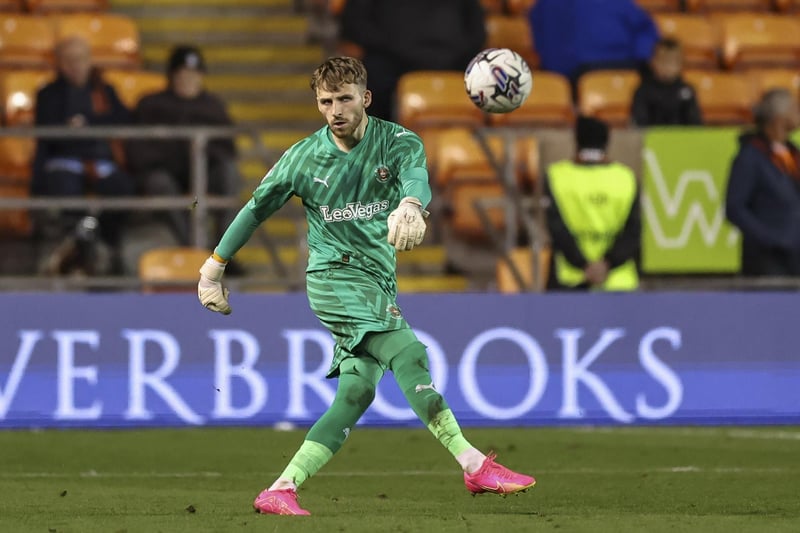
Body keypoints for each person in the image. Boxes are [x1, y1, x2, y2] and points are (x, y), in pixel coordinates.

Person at [197, 56, 535, 515]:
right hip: (334, 277)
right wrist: (213, 267)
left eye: (344, 99)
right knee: (409, 354)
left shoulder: (396, 141)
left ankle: (281, 488)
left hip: (376, 280)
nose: (334, 110)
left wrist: (411, 204)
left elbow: (415, 176)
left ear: (365, 98)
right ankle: (473, 462)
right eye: (325, 101)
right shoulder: (302, 157)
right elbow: (256, 208)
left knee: (356, 393)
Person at [32, 36, 134, 274]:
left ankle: (105, 244)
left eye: (80, 59)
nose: (75, 65)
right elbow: (46, 133)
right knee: (65, 188)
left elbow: (123, 119)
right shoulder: (48, 94)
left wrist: (88, 124)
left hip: (100, 162)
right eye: (68, 61)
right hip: (64, 162)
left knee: (123, 189)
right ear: (59, 64)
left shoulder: (104, 90)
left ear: (89, 61)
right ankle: (83, 247)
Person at [126, 45, 239, 246]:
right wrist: (173, 155)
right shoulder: (151, 104)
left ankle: (225, 249)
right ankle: (193, 247)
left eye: (194, 74)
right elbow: (137, 150)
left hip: (202, 176)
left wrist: (201, 154)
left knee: (229, 173)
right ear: (172, 75)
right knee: (158, 182)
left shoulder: (213, 107)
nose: (188, 79)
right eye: (183, 74)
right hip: (166, 176)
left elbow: (228, 149)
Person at [338, 0, 486, 121]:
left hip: (452, 62)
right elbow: (354, 23)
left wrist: (453, 52)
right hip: (391, 61)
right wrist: (394, 47)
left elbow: (477, 31)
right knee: (371, 78)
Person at [544, 116, 640, 291]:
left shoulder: (556, 176)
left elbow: (556, 228)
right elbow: (633, 231)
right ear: (607, 141)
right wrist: (608, 264)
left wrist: (583, 265)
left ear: (576, 140)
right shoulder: (626, 178)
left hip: (570, 279)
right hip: (618, 282)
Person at [725, 89, 800, 277]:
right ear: (779, 117)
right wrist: (769, 238)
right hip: (767, 260)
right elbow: (734, 207)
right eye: (794, 109)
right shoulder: (750, 157)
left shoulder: (793, 154)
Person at [529, 0, 658, 92]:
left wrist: (642, 58)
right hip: (578, 70)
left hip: (625, 64)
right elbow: (543, 40)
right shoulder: (549, 5)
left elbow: (645, 28)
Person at [631, 38, 703, 127]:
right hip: (652, 139)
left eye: (672, 62)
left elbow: (695, 124)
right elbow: (639, 124)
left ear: (681, 64)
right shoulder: (643, 91)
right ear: (653, 62)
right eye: (663, 61)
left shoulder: (687, 91)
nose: (667, 67)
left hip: (683, 139)